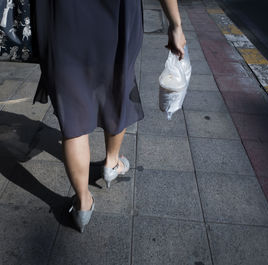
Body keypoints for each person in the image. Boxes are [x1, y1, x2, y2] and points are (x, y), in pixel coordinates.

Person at [32, 0, 186, 233]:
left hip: (61, 17)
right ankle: (111, 163)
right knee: (116, 92)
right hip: (117, 15)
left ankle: (83, 203)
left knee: (73, 115)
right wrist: (175, 24)